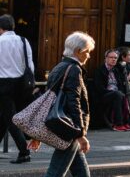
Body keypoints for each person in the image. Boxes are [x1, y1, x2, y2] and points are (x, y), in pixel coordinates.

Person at [29, 31, 95, 177]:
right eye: (88, 52)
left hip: (64, 126)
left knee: (81, 173)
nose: (89, 56)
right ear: (78, 51)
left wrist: (38, 135)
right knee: (55, 172)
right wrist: (80, 134)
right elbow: (74, 103)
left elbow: (48, 102)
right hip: (69, 127)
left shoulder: (59, 67)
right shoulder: (74, 69)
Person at [0, 14, 34, 164]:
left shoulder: (0, 41)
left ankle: (24, 151)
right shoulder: (23, 40)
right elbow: (29, 63)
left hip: (3, 83)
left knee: (10, 117)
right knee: (5, 116)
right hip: (21, 84)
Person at [93, 50, 130, 131]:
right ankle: (118, 124)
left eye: (115, 58)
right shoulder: (99, 70)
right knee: (118, 95)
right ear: (105, 59)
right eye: (111, 57)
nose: (113, 59)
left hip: (116, 94)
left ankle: (127, 123)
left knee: (128, 95)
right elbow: (99, 88)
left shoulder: (116, 70)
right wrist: (114, 93)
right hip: (103, 95)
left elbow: (120, 85)